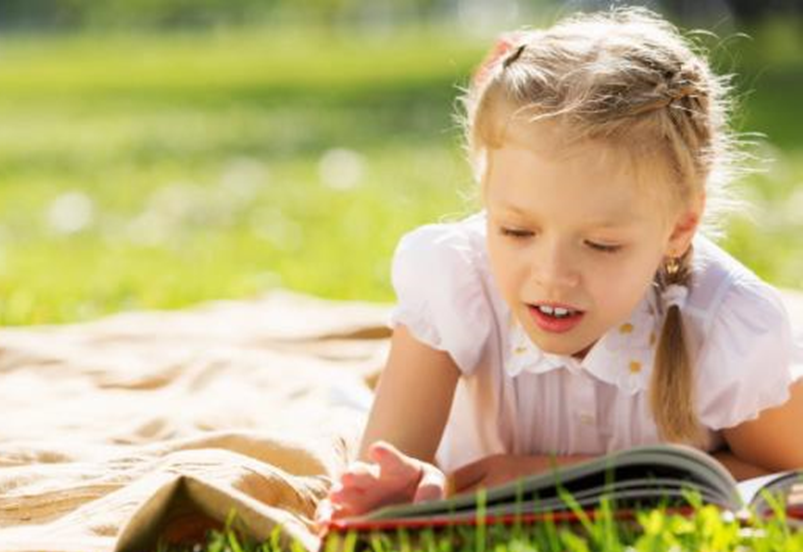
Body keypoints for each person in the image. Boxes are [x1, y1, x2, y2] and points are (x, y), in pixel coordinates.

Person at [317, 7, 803, 523]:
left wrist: (550, 473)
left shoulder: (728, 326)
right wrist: (409, 485)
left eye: (600, 244)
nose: (551, 275)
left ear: (680, 228)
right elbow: (390, 464)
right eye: (516, 231)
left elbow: (788, 481)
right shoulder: (456, 281)